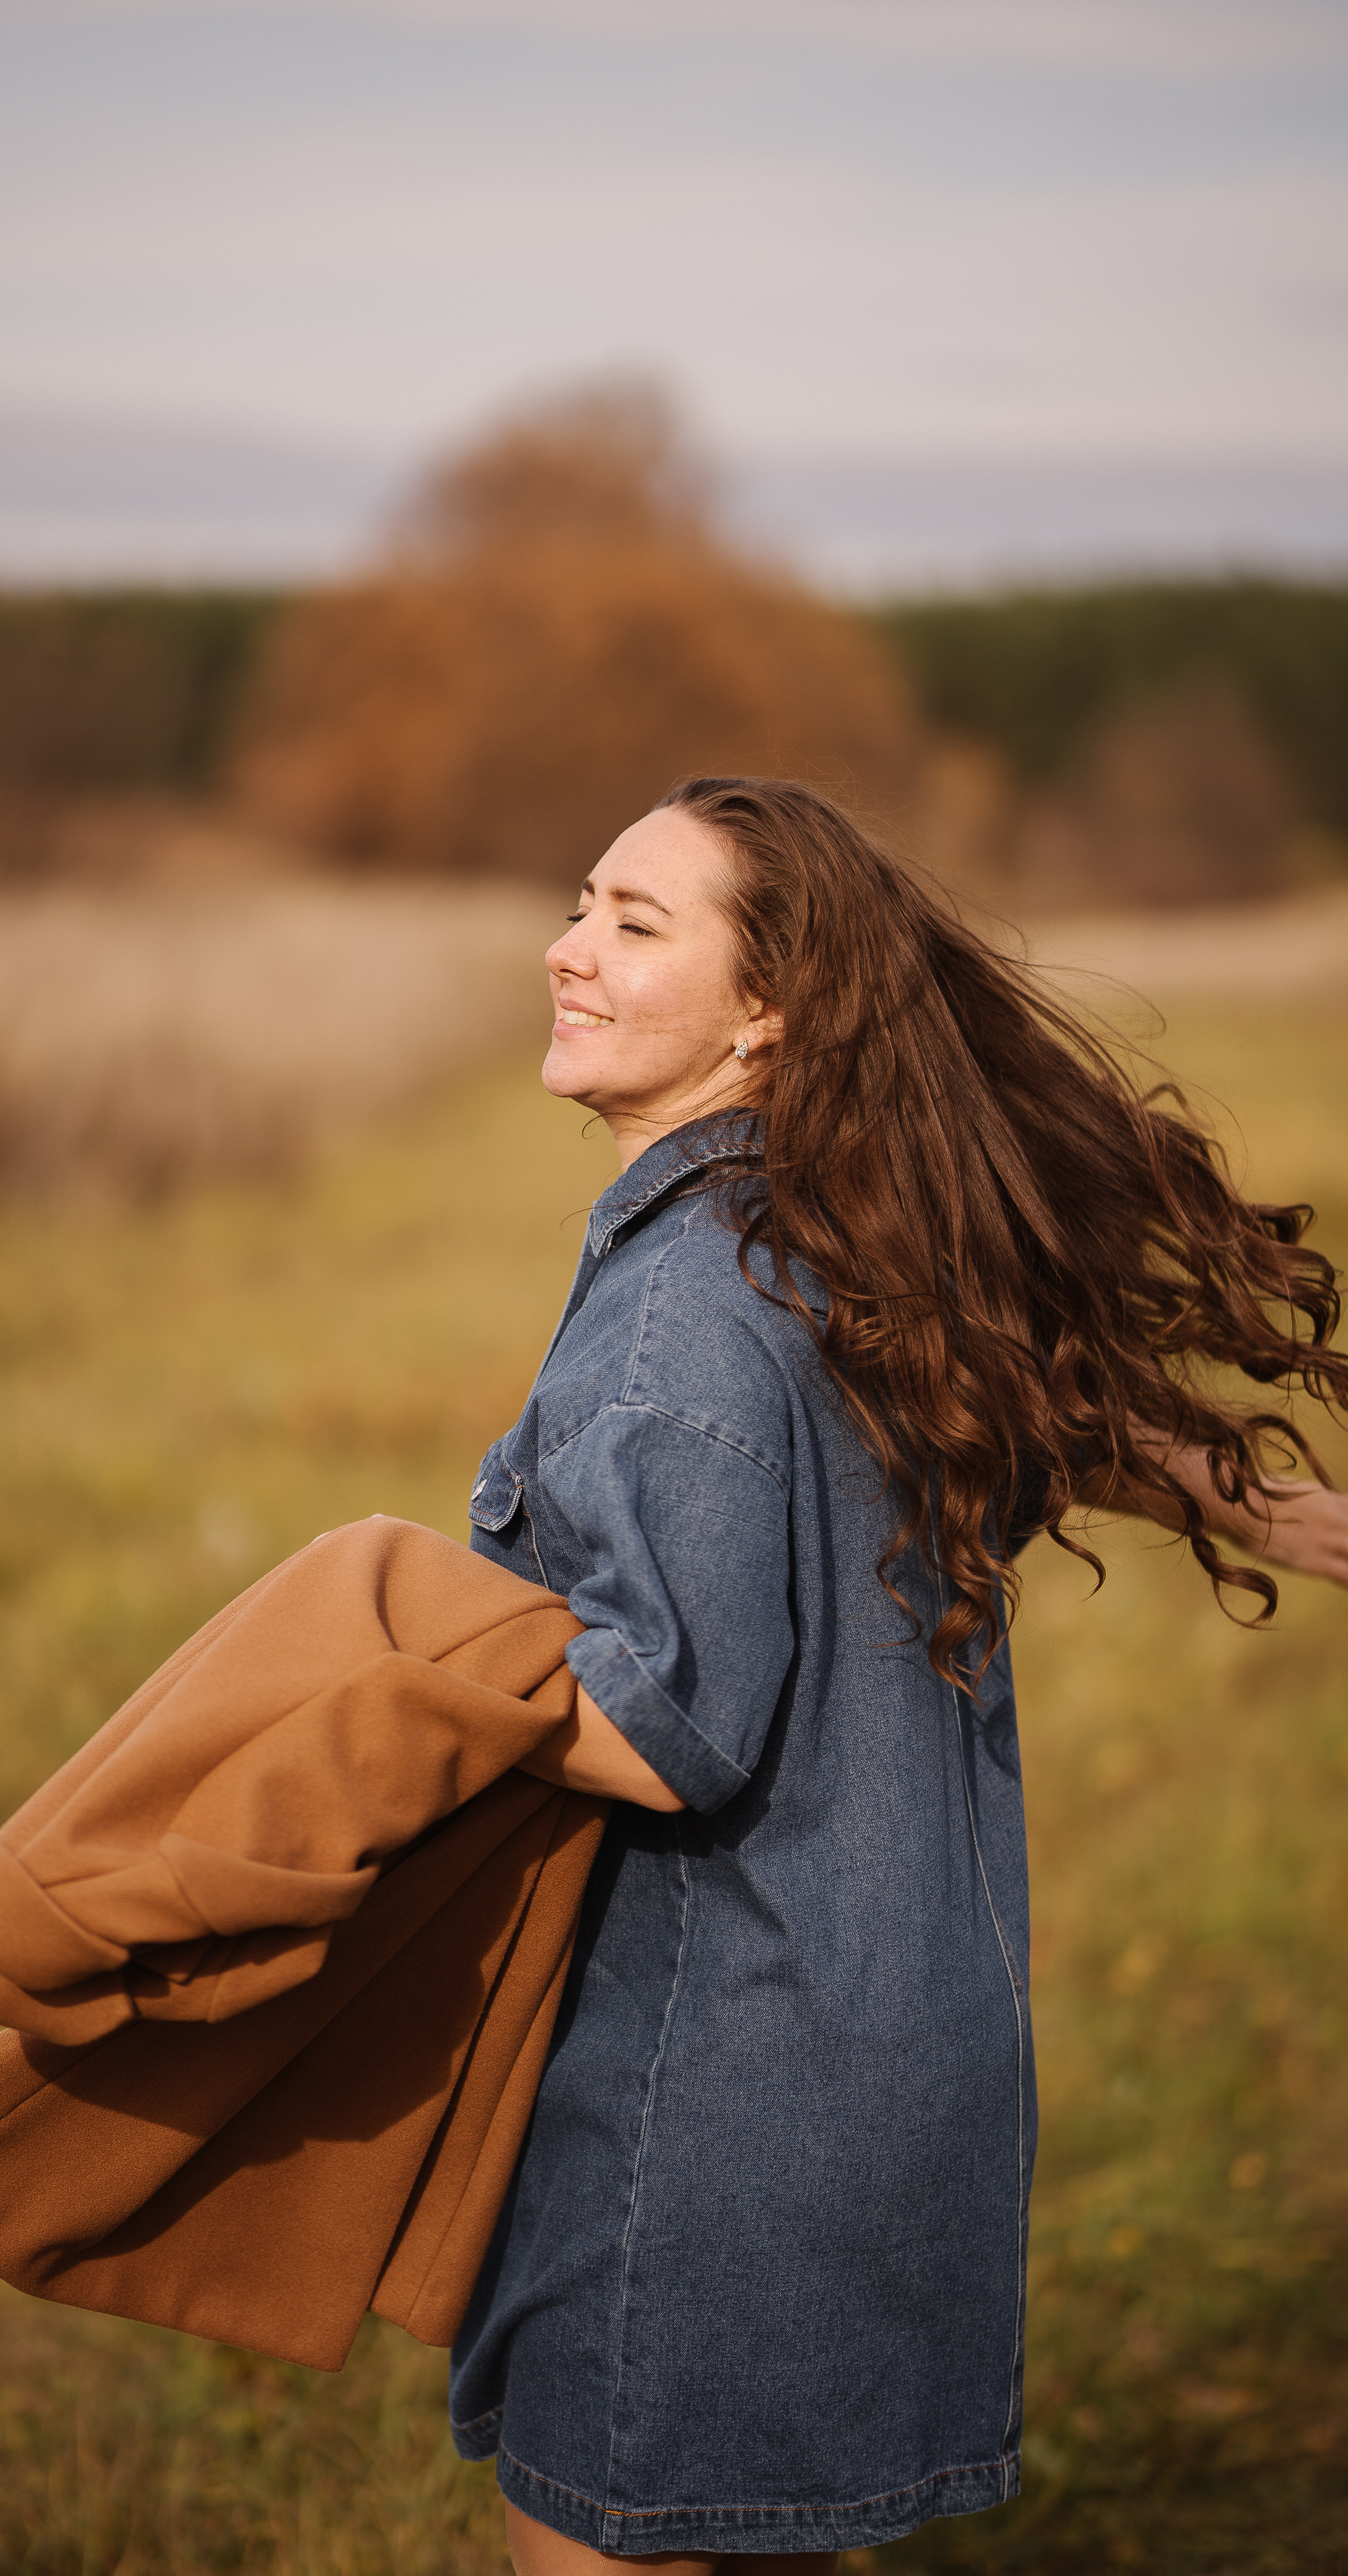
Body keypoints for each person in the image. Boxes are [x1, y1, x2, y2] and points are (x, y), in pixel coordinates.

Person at [447, 777, 1348, 2572]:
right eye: (581, 903)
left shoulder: (684, 1309)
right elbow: (965, 1421)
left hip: (709, 2097)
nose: (569, 952)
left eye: (639, 924)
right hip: (874, 2067)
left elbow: (658, 1729)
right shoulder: (834, 1242)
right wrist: (1227, 1495)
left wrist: (380, 1685)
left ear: (768, 1006)